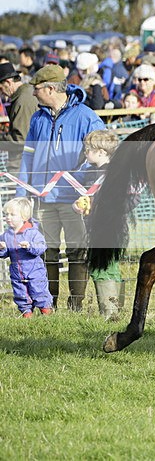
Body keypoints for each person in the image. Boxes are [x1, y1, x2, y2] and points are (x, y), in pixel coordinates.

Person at [16, 64, 105, 311]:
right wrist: (22, 195)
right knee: (45, 252)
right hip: (42, 199)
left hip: (74, 201)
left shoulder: (87, 117)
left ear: (51, 89)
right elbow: (28, 157)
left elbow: (102, 155)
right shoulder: (37, 118)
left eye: (37, 89)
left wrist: (86, 187)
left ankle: (76, 303)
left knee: (78, 252)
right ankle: (48, 302)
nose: (33, 94)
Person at [73, 130, 125, 320]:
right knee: (108, 266)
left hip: (109, 227)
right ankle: (115, 309)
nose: (85, 152)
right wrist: (78, 205)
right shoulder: (88, 172)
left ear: (102, 152)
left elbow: (120, 200)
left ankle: (110, 313)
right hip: (91, 226)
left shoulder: (115, 173)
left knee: (103, 266)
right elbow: (84, 196)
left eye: (89, 149)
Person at [0, 197, 53, 318]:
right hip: (16, 272)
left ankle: (47, 313)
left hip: (35, 271)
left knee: (39, 292)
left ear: (23, 217)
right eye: (6, 214)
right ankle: (26, 315)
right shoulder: (6, 235)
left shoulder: (32, 233)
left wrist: (29, 246)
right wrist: (2, 249)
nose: (8, 217)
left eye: (12, 214)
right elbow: (5, 254)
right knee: (21, 294)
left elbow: (41, 247)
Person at [0, 62, 38, 173]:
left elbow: (20, 139)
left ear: (8, 82)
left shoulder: (23, 100)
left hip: (22, 166)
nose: (2, 93)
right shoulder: (24, 95)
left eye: (1, 88)